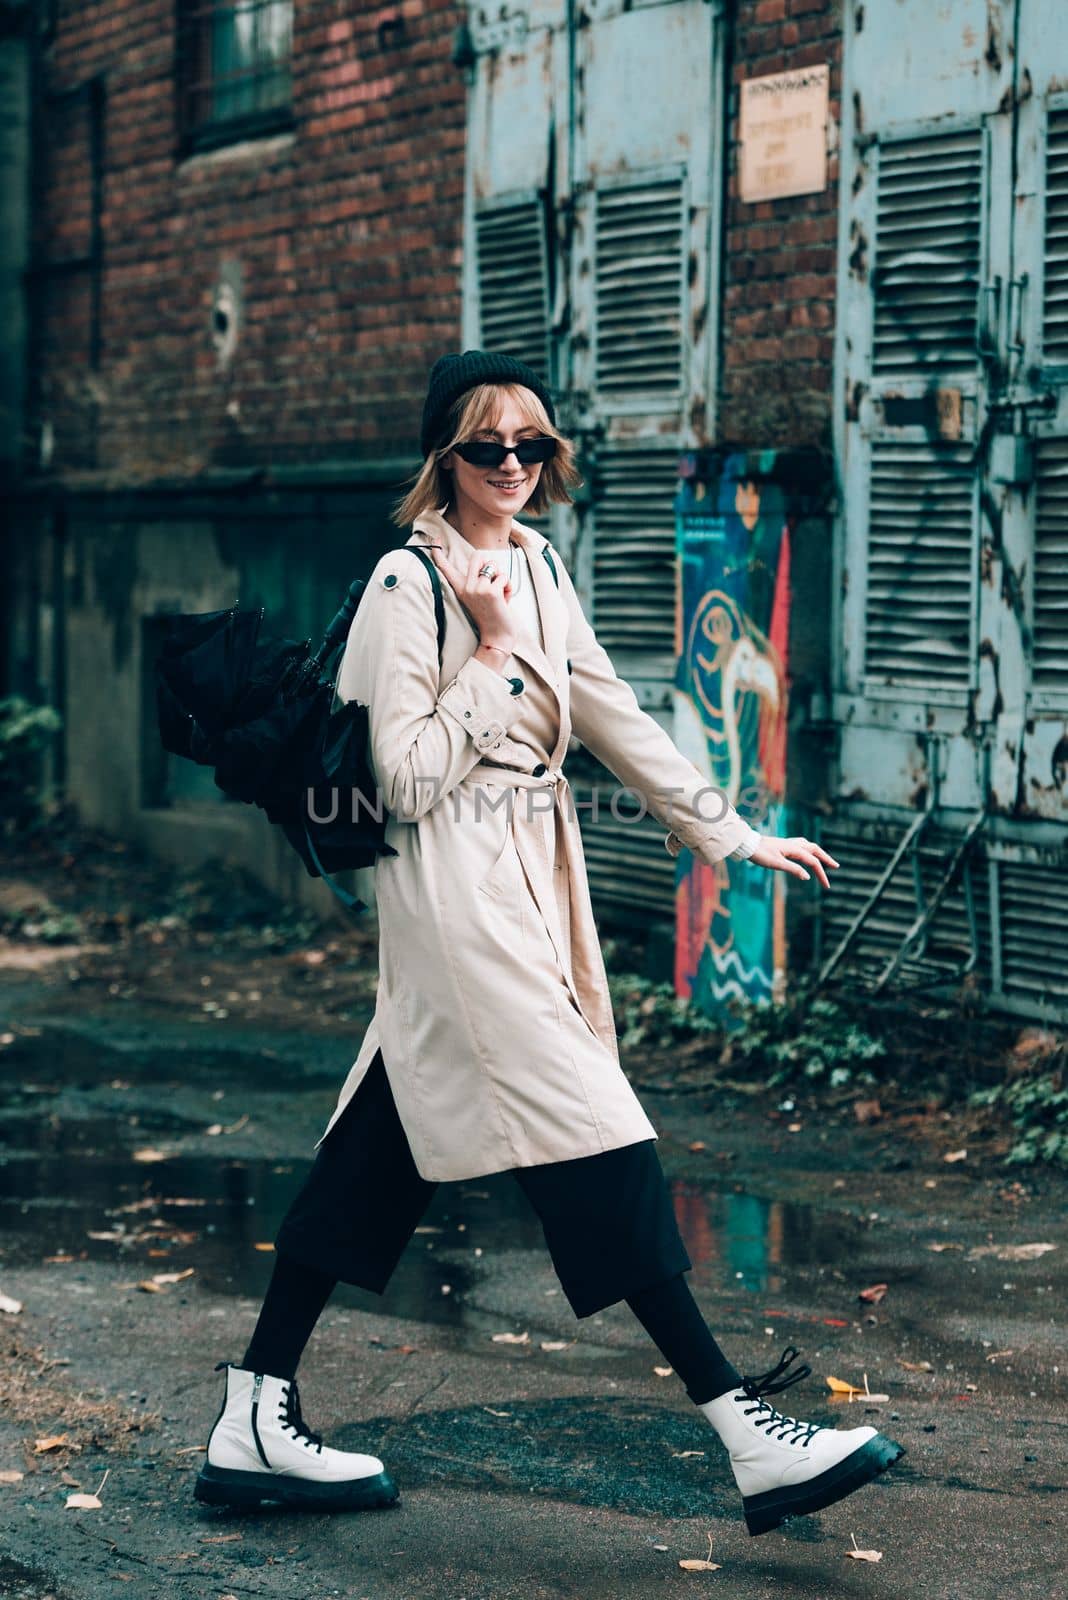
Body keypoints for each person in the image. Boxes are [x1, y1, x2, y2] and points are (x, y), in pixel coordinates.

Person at [195, 350, 903, 1535]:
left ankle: (253, 1413)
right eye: (487, 446)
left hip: (528, 879)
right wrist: (483, 656)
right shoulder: (403, 583)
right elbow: (404, 778)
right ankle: (743, 1427)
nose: (514, 464)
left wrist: (727, 833)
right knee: (595, 1123)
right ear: (444, 459)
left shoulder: (537, 561)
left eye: (532, 442)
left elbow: (611, 706)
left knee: (383, 1140)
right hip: (455, 895)